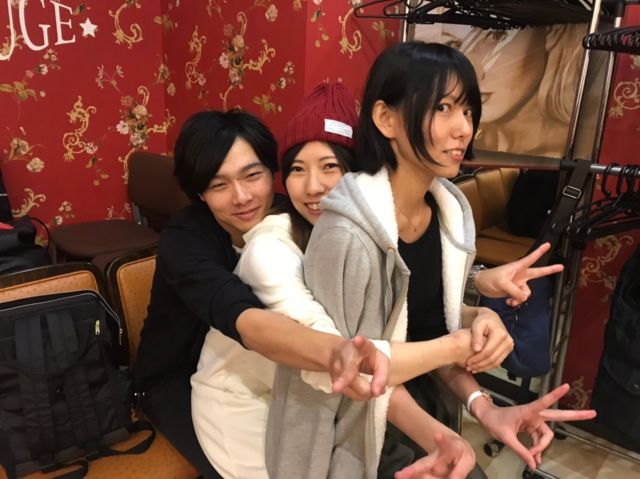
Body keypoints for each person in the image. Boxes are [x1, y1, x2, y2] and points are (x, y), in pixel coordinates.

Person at [266, 42, 596, 479]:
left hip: (418, 407)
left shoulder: (447, 214)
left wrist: (485, 406)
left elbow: (427, 329)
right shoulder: (346, 233)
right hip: (347, 432)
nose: (464, 128)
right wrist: (456, 354)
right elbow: (358, 373)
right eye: (443, 108)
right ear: (386, 119)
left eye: (468, 110)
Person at [192, 83, 510, 479]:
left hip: (330, 401)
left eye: (330, 166)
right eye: (297, 169)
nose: (313, 186)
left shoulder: (360, 236)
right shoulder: (269, 250)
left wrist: (477, 317)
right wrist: (456, 350)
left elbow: (403, 318)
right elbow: (348, 360)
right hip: (249, 404)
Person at [131, 109, 391, 479]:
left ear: (273, 172)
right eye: (219, 185)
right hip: (177, 380)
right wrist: (336, 351)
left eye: (252, 176)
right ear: (200, 193)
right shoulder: (184, 241)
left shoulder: (292, 213)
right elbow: (239, 314)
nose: (242, 197)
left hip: (268, 372)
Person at [416, 23, 586, 157]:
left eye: (497, 35)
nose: (472, 73)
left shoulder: (575, 153)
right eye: (453, 45)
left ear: (552, 36)